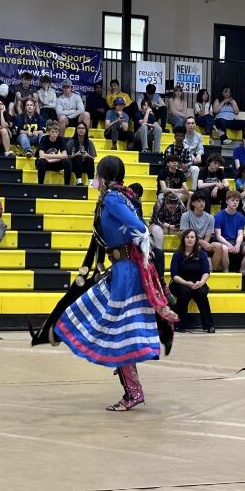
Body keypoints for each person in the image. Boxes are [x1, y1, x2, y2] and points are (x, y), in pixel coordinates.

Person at [52, 155, 172, 411]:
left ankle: (133, 392)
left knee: (119, 332)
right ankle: (132, 389)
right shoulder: (125, 196)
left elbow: (139, 228)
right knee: (99, 316)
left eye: (97, 174)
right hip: (121, 268)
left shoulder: (112, 198)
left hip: (126, 271)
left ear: (103, 176)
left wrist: (142, 245)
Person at [169, 229, 214, 333]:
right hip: (180, 283)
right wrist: (186, 283)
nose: (189, 239)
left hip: (198, 282)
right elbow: (174, 275)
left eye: (192, 237)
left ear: (196, 239)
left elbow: (206, 272)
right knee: (185, 292)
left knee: (202, 293)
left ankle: (209, 325)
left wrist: (201, 283)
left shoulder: (202, 254)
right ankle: (180, 324)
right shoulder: (177, 254)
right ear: (183, 239)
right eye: (187, 237)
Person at [180, 192, 219, 263]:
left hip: (203, 244)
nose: (202, 203)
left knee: (219, 247)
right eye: (199, 201)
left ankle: (214, 272)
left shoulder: (210, 218)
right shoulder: (185, 216)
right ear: (193, 203)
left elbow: (208, 236)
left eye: (203, 201)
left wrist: (203, 244)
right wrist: (201, 243)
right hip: (189, 242)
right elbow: (185, 234)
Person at [213, 191, 245, 272]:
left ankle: (243, 272)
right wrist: (228, 244)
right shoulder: (218, 216)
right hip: (223, 241)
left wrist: (238, 245)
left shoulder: (241, 217)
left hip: (236, 241)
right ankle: (226, 271)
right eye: (232, 200)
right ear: (227, 201)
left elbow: (240, 234)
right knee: (224, 248)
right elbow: (218, 235)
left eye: (237, 200)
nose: (235, 202)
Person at [35, 120, 71, 185]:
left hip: (54, 162)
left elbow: (65, 155)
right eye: (52, 132)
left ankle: (67, 185)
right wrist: (59, 156)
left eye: (56, 132)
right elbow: (41, 155)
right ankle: (40, 184)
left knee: (67, 162)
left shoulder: (61, 139)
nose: (54, 134)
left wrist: (50, 160)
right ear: (48, 132)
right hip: (44, 163)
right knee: (41, 161)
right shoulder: (44, 139)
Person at [182, 117, 204, 186]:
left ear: (195, 125)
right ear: (185, 125)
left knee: (205, 157)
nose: (190, 125)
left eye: (192, 123)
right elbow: (185, 148)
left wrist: (199, 155)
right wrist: (192, 156)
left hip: (195, 158)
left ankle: (194, 190)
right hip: (184, 157)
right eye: (188, 123)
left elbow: (201, 148)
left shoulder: (199, 136)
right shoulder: (182, 135)